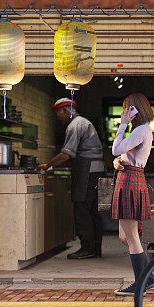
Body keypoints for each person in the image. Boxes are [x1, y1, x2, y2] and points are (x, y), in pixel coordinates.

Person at [38, 98, 105, 259]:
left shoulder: (75, 125)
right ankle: (95, 248)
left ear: (66, 111)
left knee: (82, 209)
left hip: (87, 172)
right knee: (94, 211)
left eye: (58, 114)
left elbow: (66, 154)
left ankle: (87, 249)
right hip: (97, 172)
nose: (58, 118)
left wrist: (48, 165)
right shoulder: (84, 122)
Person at [110, 93, 154, 296]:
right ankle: (149, 277)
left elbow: (116, 148)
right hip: (128, 178)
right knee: (124, 236)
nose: (124, 112)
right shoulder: (139, 130)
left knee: (131, 236)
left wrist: (122, 124)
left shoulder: (141, 129)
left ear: (134, 109)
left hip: (131, 181)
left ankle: (141, 283)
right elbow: (120, 154)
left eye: (126, 108)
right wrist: (118, 161)